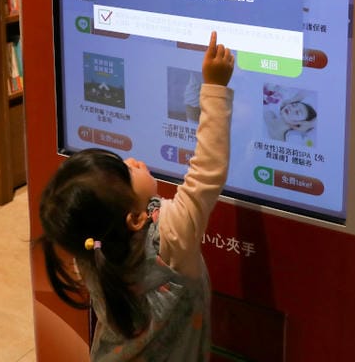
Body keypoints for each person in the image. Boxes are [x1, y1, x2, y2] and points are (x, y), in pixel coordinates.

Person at [38, 31, 235, 361]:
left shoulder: (90, 252)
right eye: (127, 172)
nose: (132, 161)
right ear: (135, 218)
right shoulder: (171, 239)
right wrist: (215, 87)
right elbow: (206, 173)